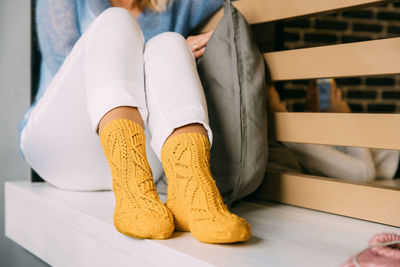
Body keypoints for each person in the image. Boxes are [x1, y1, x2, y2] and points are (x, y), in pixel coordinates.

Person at [18, 0, 251, 244]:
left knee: (169, 43)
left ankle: (191, 190)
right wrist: (142, 59)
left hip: (144, 156)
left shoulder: (177, 4)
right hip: (61, 146)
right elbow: (66, 68)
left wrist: (179, 49)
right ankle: (131, 185)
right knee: (116, 20)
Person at [267, 82, 400, 182]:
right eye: (278, 100)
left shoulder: (300, 128)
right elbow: (365, 173)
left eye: (315, 88)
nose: (284, 104)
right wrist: (346, 117)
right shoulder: (295, 140)